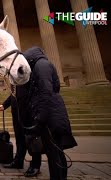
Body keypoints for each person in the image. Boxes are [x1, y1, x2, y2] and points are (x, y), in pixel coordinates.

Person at [22, 46, 77, 180]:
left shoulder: (41, 66)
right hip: (52, 115)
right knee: (55, 152)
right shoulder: (43, 65)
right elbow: (53, 88)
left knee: (54, 154)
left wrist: (40, 118)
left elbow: (46, 92)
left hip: (50, 118)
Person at [0, 80, 42, 177]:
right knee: (19, 138)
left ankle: (35, 165)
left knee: (32, 139)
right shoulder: (14, 77)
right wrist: (4, 105)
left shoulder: (25, 72)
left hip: (28, 112)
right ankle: (18, 161)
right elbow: (14, 94)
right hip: (17, 113)